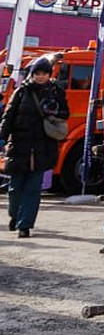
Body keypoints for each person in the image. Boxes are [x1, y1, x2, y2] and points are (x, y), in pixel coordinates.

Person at [0, 57, 69, 237]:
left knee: (33, 189)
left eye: (44, 74)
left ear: (49, 74)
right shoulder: (21, 92)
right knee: (14, 189)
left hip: (43, 147)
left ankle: (25, 225)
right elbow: (8, 116)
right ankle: (15, 215)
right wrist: (2, 137)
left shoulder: (55, 91)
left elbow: (65, 113)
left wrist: (52, 111)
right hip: (19, 146)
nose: (40, 77)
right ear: (32, 74)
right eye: (37, 74)